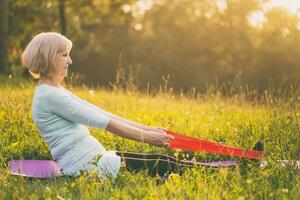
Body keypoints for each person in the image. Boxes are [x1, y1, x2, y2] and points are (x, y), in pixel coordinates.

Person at [21, 32, 198, 179]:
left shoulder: (54, 91)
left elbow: (99, 112)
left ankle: (204, 168)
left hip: (95, 159)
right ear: (49, 57)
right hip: (87, 166)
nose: (70, 61)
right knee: (164, 164)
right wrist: (147, 137)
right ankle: (212, 172)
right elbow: (102, 122)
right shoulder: (49, 96)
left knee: (163, 161)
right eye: (64, 55)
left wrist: (146, 128)